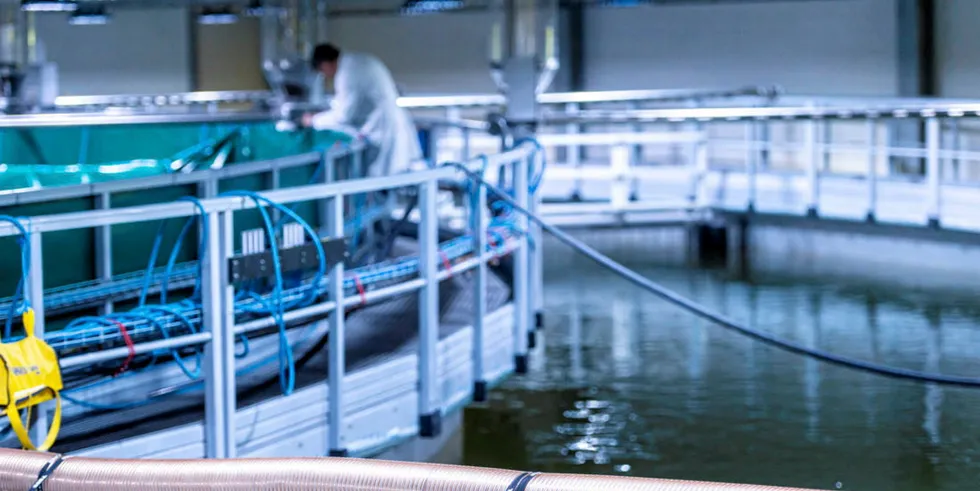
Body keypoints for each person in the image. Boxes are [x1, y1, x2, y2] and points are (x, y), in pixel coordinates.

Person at [302, 43, 423, 179]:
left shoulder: (347, 73)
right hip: (388, 124)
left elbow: (344, 115)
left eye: (322, 72)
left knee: (387, 180)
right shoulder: (356, 62)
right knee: (393, 177)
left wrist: (313, 120)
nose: (325, 76)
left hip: (383, 129)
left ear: (325, 65)